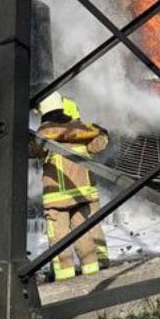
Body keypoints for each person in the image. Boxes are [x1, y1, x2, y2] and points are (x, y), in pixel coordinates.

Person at [32, 93, 111, 281]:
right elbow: (96, 146)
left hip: (57, 197)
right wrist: (103, 133)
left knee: (58, 238)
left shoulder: (43, 132)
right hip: (81, 194)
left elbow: (34, 151)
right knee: (83, 234)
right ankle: (92, 273)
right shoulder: (81, 129)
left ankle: (64, 278)